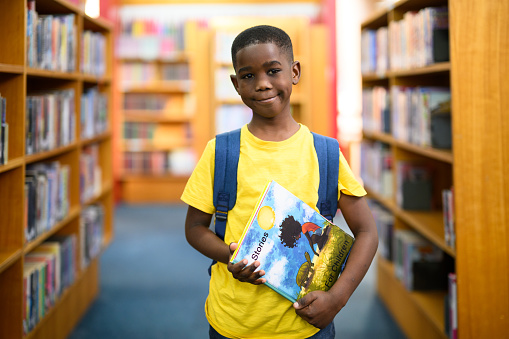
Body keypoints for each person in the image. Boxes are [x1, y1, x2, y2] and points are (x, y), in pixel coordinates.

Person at [182, 25, 378, 339]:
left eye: (273, 71)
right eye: (247, 76)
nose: (262, 84)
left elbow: (367, 231)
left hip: (305, 325)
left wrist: (337, 299)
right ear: (235, 84)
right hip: (233, 322)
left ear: (295, 71)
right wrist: (230, 256)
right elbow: (194, 228)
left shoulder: (325, 153)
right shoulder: (220, 152)